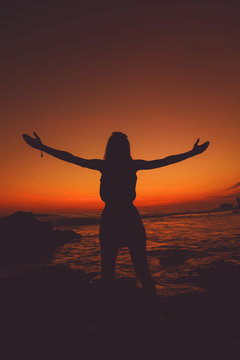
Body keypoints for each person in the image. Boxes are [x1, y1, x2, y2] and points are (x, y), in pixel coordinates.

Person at [22, 131, 209, 299]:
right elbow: (164, 161)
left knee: (110, 273)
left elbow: (72, 158)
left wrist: (42, 147)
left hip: (114, 218)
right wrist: (191, 153)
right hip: (128, 217)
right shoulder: (130, 165)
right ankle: (151, 309)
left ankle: (112, 316)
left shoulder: (106, 166)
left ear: (109, 149)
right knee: (140, 270)